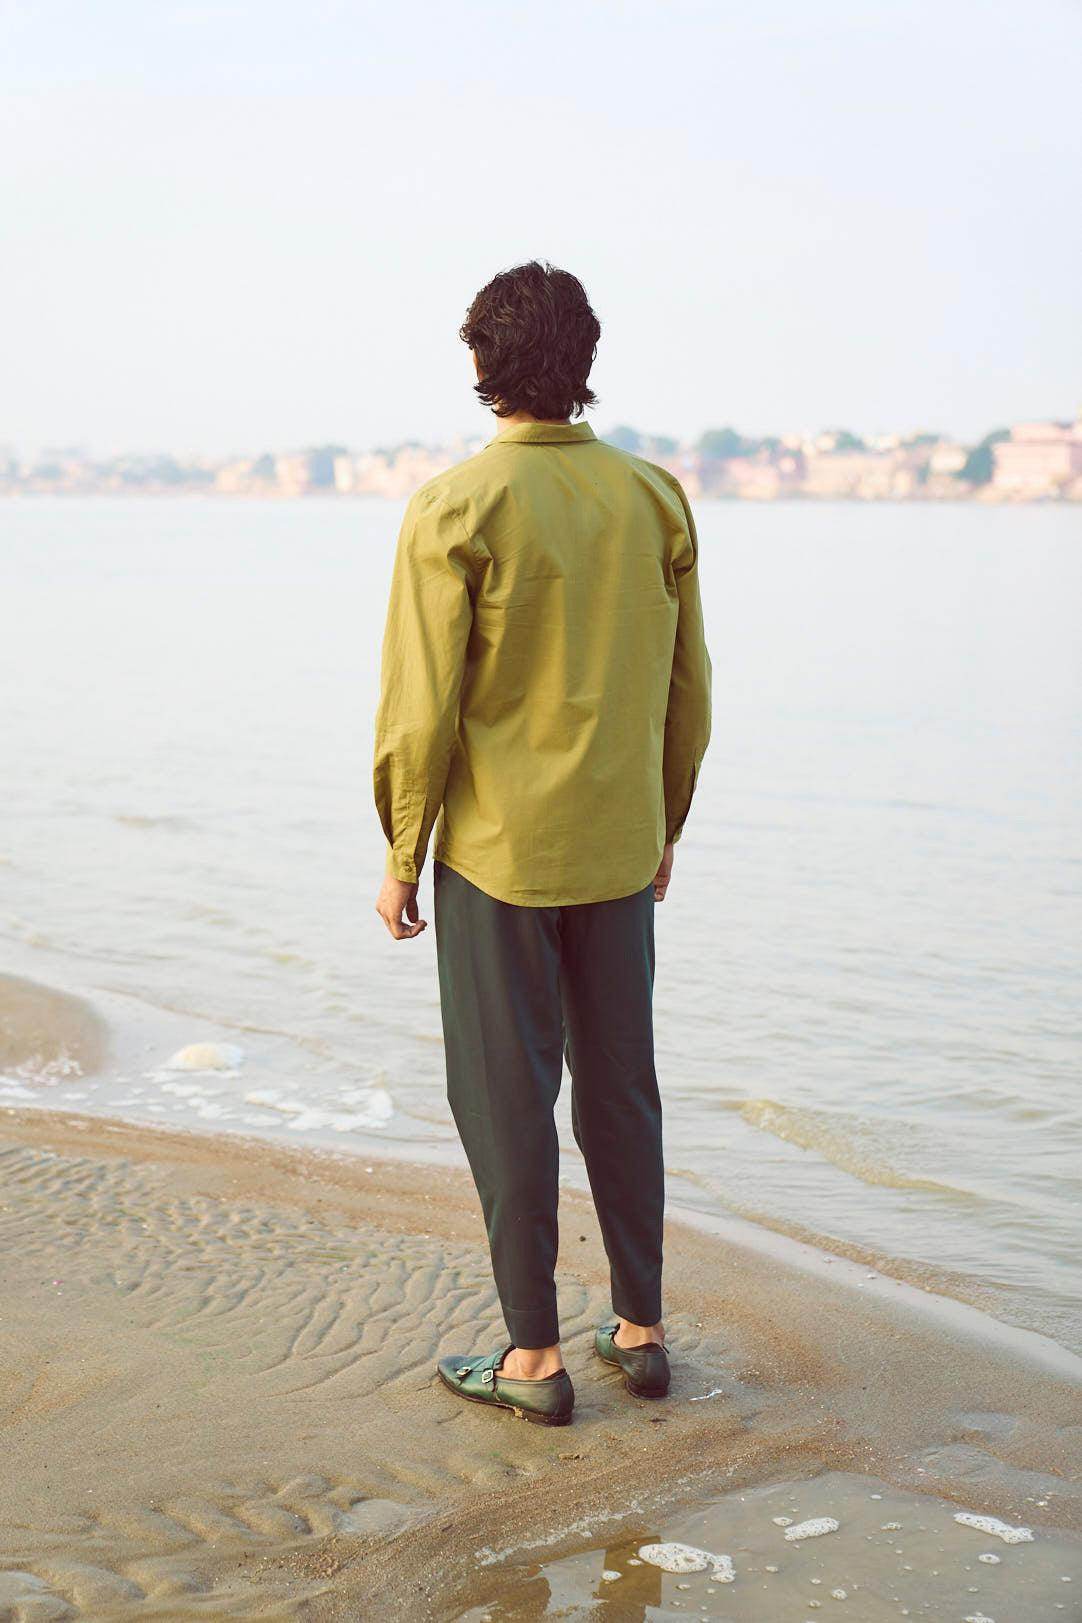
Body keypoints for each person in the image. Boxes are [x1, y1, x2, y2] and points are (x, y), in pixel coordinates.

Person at [373, 260, 712, 1426]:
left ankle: (533, 1359)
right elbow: (686, 689)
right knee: (621, 1085)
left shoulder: (455, 506)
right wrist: (664, 826)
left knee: (507, 1097)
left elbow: (419, 705)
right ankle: (641, 1331)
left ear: (482, 363)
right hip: (617, 847)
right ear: (583, 361)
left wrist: (402, 852)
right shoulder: (654, 498)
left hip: (496, 855)